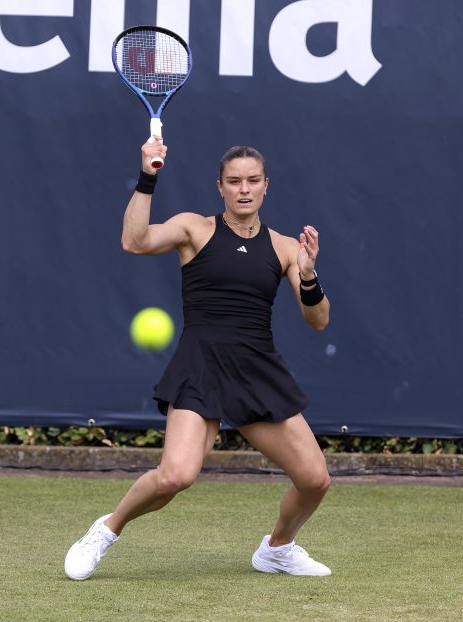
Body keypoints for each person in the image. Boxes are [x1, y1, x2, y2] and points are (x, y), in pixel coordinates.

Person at [64, 140, 333, 580]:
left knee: (315, 480)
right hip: (202, 363)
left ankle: (278, 549)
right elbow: (134, 241)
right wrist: (149, 176)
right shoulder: (195, 229)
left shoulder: (285, 248)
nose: (243, 189)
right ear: (220, 188)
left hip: (256, 368)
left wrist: (308, 275)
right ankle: (105, 530)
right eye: (234, 182)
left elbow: (318, 321)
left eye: (252, 181)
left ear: (266, 186)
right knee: (175, 476)